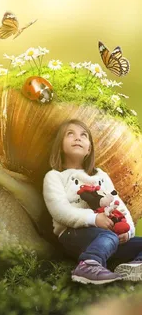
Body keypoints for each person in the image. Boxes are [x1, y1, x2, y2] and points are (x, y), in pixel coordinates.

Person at [43, 119, 142, 285]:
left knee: (126, 239)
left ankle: (134, 267)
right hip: (73, 234)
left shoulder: (100, 176)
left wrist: (128, 231)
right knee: (107, 236)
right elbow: (60, 211)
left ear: (89, 149)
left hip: (109, 237)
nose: (77, 138)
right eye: (70, 134)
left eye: (83, 135)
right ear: (60, 146)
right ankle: (88, 264)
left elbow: (120, 206)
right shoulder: (55, 176)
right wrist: (94, 219)